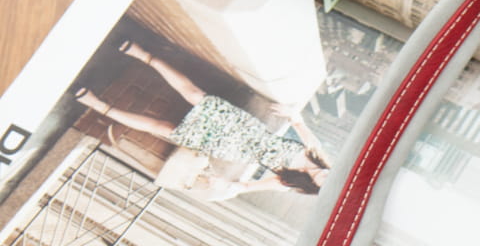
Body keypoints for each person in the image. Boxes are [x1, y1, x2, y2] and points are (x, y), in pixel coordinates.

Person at [73, 39, 329, 197]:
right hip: (246, 127)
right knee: (195, 95)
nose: (327, 180)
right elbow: (298, 122)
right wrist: (291, 114)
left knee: (166, 129)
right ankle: (144, 55)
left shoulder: (289, 183)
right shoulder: (315, 152)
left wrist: (223, 183)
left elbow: (245, 188)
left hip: (233, 148)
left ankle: (99, 105)